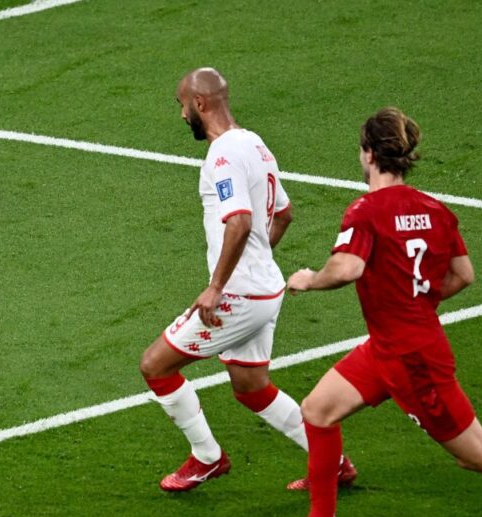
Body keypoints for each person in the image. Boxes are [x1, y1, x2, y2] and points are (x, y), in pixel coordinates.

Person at [263, 107, 482, 517]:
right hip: (389, 348)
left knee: (479, 456)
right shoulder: (437, 211)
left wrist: (309, 278)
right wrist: (416, 302)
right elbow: (463, 275)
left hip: (414, 361)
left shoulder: (366, 211)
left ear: (368, 153)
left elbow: (349, 267)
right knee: (317, 410)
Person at [140, 67, 356, 492]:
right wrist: (257, 260)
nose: (182, 114)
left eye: (182, 104)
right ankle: (335, 464)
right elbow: (285, 213)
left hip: (238, 294)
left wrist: (218, 285)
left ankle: (208, 457)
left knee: (155, 366)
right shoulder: (256, 144)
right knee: (251, 386)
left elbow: (238, 221)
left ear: (199, 104)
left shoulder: (221, 157)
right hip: (266, 287)